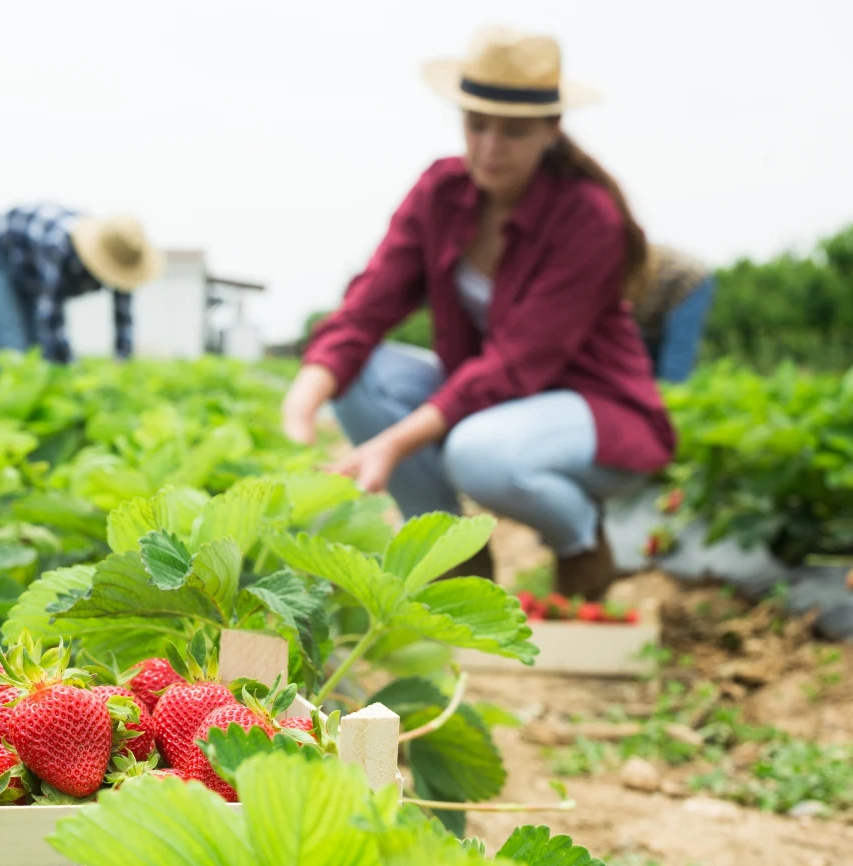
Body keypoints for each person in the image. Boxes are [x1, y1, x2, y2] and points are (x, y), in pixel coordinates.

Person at [282, 27, 676, 599]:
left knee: (479, 453)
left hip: (592, 410)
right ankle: (453, 559)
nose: (491, 146)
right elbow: (368, 304)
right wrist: (301, 408)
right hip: (493, 404)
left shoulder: (588, 218)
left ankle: (581, 538)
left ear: (551, 129)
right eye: (477, 125)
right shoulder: (442, 192)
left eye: (514, 132)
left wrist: (390, 445)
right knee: (360, 374)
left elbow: (516, 364)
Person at [0, 204, 163, 373]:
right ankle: (4, 408)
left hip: (31, 268)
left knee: (35, 350)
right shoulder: (59, 246)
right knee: (10, 350)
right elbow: (49, 316)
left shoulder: (122, 254)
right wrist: (71, 371)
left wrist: (122, 364)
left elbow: (124, 321)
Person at [632, 245, 715, 383]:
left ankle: (671, 399)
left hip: (688, 281)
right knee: (644, 362)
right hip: (655, 302)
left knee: (674, 362)